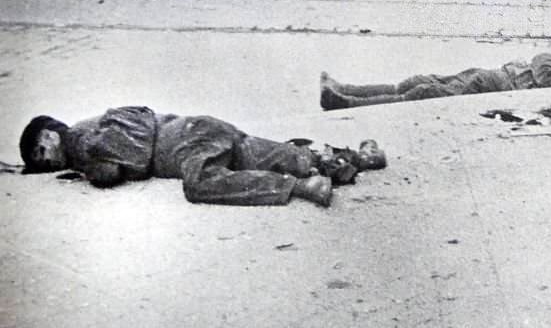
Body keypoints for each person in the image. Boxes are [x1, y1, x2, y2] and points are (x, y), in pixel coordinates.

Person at [18, 106, 388, 208]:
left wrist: (92, 172)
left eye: (41, 152)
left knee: (200, 185)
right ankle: (358, 156)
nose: (46, 160)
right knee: (265, 154)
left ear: (50, 133)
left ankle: (301, 187)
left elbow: (122, 165)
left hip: (187, 144)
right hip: (199, 127)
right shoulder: (93, 122)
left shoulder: (81, 140)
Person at [320, 53, 551, 110]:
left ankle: (344, 101)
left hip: (497, 84)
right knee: (420, 81)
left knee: (425, 92)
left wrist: (541, 57)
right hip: (497, 76)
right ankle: (344, 89)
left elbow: (543, 70)